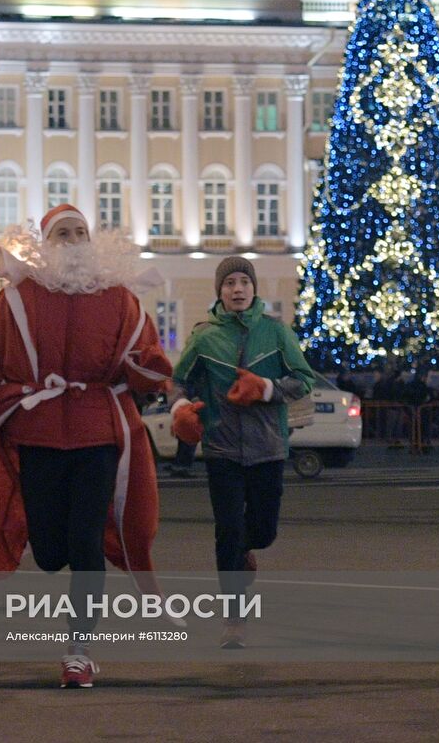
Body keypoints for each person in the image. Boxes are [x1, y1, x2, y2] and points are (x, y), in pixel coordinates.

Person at [0, 204, 173, 688]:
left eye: (80, 232)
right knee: (48, 549)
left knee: (85, 539)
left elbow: (143, 357)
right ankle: (52, 561)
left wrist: (151, 371)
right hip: (36, 433)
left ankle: (78, 650)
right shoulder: (16, 299)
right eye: (62, 233)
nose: (73, 240)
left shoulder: (120, 300)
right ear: (46, 244)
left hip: (98, 435)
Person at [169, 256, 315, 649]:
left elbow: (303, 380)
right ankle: (234, 619)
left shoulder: (276, 332)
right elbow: (178, 381)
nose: (237, 289)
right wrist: (180, 409)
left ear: (254, 289)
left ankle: (249, 548)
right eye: (229, 282)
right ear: (219, 291)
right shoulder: (204, 336)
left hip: (268, 448)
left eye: (243, 282)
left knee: (263, 531)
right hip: (221, 448)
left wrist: (266, 389)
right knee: (228, 529)